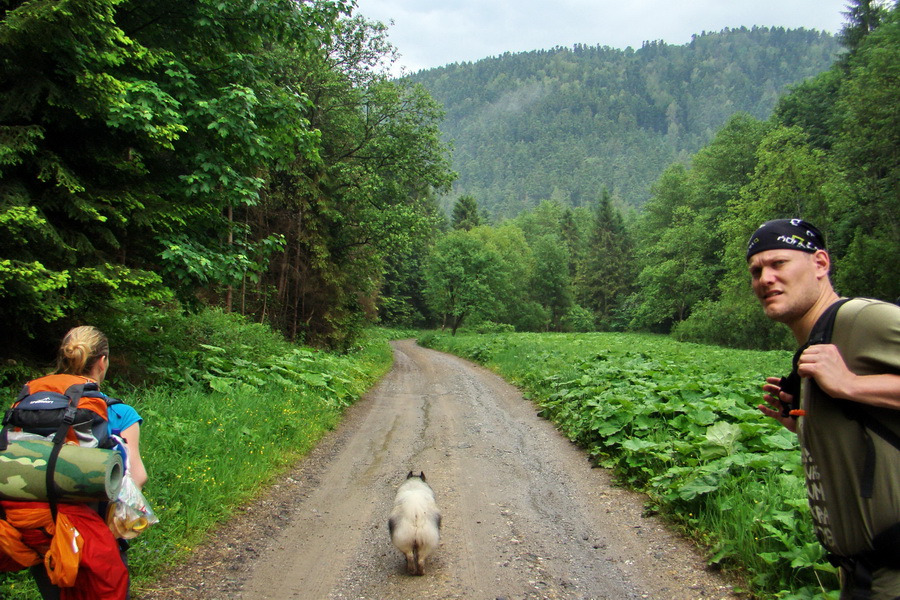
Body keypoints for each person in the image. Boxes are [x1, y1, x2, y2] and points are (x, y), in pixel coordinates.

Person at [748, 218, 900, 599]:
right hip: (864, 576)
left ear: (819, 263)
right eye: (756, 270)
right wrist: (804, 427)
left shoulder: (862, 319)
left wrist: (852, 384)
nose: (765, 278)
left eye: (778, 263)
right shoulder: (818, 342)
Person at [1, 326, 146, 600]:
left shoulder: (30, 401)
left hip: (38, 532)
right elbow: (137, 477)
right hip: (92, 530)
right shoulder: (119, 412)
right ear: (102, 361)